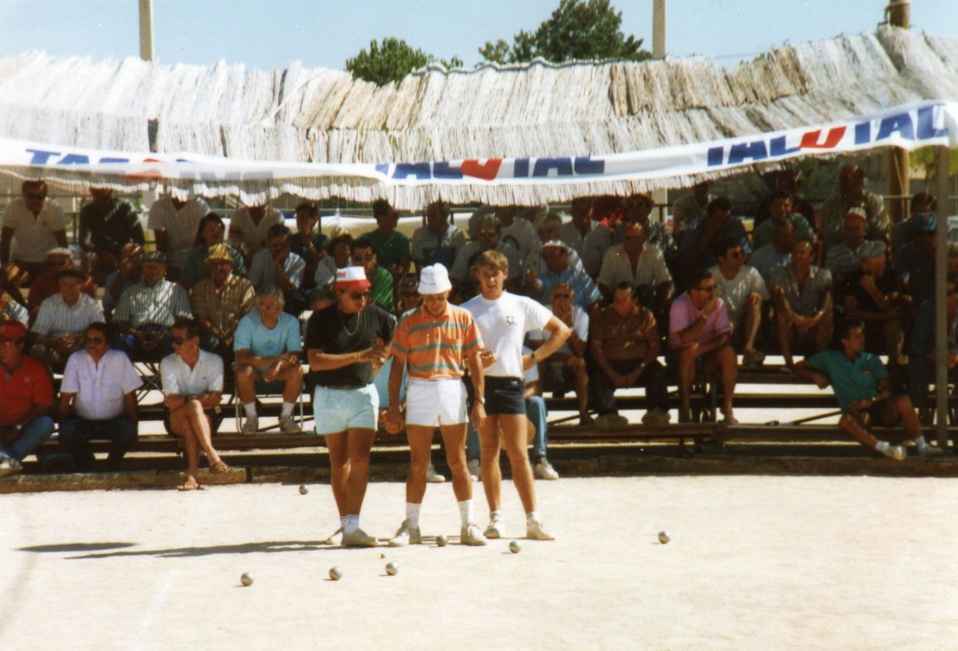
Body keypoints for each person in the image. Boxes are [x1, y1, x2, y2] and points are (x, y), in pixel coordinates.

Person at [462, 250, 571, 541]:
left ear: (505, 274)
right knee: (488, 453)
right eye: (485, 273)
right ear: (478, 276)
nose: (490, 279)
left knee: (519, 453)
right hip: (481, 386)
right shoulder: (467, 310)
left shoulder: (521, 304)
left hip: (512, 384)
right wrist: (472, 360)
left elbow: (562, 331)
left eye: (495, 273)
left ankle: (533, 520)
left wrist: (533, 358)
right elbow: (453, 353)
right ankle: (496, 519)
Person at [384, 264, 489, 547]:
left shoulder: (463, 317)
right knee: (418, 464)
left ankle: (469, 525)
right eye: (429, 297)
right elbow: (397, 369)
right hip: (419, 389)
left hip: (453, 389)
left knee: (458, 461)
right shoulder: (407, 320)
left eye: (439, 297)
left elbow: (475, 361)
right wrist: (394, 407)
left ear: (448, 292)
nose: (434, 303)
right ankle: (411, 526)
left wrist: (479, 401)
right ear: (420, 295)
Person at [305, 266, 396, 547]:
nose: (363, 300)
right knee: (339, 463)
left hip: (361, 394)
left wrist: (380, 359)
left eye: (366, 293)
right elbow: (316, 361)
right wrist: (360, 356)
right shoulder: (320, 319)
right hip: (329, 394)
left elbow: (397, 333)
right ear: (339, 293)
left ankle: (353, 525)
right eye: (356, 295)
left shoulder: (373, 314)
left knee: (360, 460)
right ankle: (346, 525)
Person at [794, 317, 944, 460]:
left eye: (862, 335)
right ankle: (886, 449)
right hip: (857, 412)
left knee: (903, 401)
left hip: (879, 406)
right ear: (845, 341)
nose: (863, 339)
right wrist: (814, 375)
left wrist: (871, 400)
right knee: (846, 421)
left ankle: (922, 446)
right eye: (857, 336)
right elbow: (798, 366)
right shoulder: (829, 358)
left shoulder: (871, 359)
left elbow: (886, 389)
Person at [58, 322, 142, 471]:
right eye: (88, 340)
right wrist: (61, 428)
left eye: (97, 341)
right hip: (83, 422)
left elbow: (130, 396)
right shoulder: (76, 359)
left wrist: (135, 429)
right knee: (68, 432)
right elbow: (65, 397)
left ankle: (110, 467)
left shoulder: (119, 358)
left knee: (127, 431)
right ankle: (89, 466)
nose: (91, 344)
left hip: (114, 422)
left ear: (108, 343)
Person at [160, 316, 231, 491]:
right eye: (172, 340)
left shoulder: (214, 360)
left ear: (195, 341)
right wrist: (194, 402)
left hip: (203, 417)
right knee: (193, 407)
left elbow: (216, 398)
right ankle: (212, 455)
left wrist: (189, 402)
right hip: (177, 416)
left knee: (190, 419)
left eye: (178, 340)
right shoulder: (168, 362)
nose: (174, 345)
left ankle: (192, 473)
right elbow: (171, 401)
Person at [591, 282, 672, 427]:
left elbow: (654, 347)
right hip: (611, 362)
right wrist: (611, 373)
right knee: (598, 376)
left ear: (634, 300)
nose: (619, 304)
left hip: (640, 361)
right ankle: (608, 414)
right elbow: (596, 348)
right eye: (616, 300)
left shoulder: (646, 315)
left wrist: (638, 370)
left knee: (656, 371)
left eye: (624, 300)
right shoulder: (602, 316)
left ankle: (657, 413)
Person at [668, 269, 738, 423]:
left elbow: (725, 337)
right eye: (708, 289)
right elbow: (686, 338)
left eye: (714, 287)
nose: (713, 292)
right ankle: (685, 407)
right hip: (679, 356)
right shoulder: (679, 305)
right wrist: (705, 314)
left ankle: (727, 407)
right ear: (693, 291)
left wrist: (702, 348)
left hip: (705, 354)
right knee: (688, 353)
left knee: (729, 353)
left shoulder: (717, 304)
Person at [234, 287, 304, 435]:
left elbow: (295, 354)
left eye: (270, 306)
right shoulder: (247, 322)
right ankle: (251, 418)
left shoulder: (290, 322)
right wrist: (275, 360)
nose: (264, 310)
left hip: (280, 370)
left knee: (298, 370)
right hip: (254, 371)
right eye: (261, 305)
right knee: (242, 372)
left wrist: (279, 364)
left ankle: (285, 417)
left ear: (280, 308)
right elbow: (241, 358)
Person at [528, 283, 592, 426]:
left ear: (572, 299)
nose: (562, 300)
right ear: (550, 298)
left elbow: (580, 351)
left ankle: (583, 414)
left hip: (571, 363)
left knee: (581, 364)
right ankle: (536, 417)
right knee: (538, 365)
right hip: (548, 360)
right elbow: (537, 350)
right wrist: (563, 358)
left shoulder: (580, 316)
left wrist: (568, 325)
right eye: (557, 296)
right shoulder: (539, 315)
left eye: (566, 296)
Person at [838, 240, 907, 370]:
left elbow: (889, 307)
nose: (881, 267)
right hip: (862, 323)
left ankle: (894, 368)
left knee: (894, 327)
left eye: (883, 263)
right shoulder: (851, 279)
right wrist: (884, 316)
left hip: (883, 323)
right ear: (864, 265)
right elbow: (851, 312)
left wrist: (872, 290)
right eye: (876, 265)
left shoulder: (890, 276)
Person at [113, 251, 193, 362]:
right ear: (142, 268)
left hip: (166, 333)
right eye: (148, 267)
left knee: (176, 342)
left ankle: (169, 378)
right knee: (121, 342)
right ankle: (124, 379)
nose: (151, 271)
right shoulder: (129, 292)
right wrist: (137, 334)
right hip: (137, 333)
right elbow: (120, 321)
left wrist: (162, 335)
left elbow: (183, 321)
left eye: (155, 267)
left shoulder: (177, 291)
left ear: (165, 269)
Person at [0, 321, 55, 477]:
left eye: (6, 343)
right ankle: (8, 461)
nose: (0, 347)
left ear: (20, 346)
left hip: (23, 427)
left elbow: (44, 405)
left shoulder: (35, 368)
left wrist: (18, 427)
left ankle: (6, 459)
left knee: (45, 424)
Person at [770, 240, 834, 369]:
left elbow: (828, 298)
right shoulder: (779, 273)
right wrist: (795, 317)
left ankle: (818, 362)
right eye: (794, 253)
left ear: (811, 257)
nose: (797, 256)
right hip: (790, 322)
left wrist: (817, 317)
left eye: (802, 253)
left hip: (813, 321)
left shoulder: (823, 275)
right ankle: (789, 364)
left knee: (828, 315)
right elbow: (778, 299)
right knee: (782, 316)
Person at [708, 235, 770, 367]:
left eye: (742, 253)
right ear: (721, 259)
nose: (741, 257)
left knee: (756, 302)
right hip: (720, 323)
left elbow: (766, 301)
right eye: (735, 255)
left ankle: (748, 350)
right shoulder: (711, 276)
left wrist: (757, 296)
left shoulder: (750, 273)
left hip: (744, 323)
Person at [29, 268, 105, 373]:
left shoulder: (92, 305)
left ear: (81, 285)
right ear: (59, 286)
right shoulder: (49, 303)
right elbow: (37, 334)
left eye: (73, 285)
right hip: (54, 348)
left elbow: (100, 334)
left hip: (82, 347)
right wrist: (55, 342)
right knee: (37, 351)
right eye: (64, 284)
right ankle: (48, 386)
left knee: (96, 349)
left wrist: (78, 341)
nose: (69, 289)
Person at [190, 244, 256, 360]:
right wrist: (220, 336)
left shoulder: (244, 285)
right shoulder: (200, 288)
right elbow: (202, 319)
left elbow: (248, 316)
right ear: (209, 266)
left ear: (230, 265)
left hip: (238, 334)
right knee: (209, 342)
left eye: (223, 263)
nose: (218, 268)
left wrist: (231, 337)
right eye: (214, 264)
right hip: (212, 335)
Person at [597, 221, 673, 317]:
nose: (632, 241)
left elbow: (665, 282)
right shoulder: (612, 253)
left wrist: (659, 305)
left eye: (636, 238)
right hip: (619, 302)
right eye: (628, 238)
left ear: (644, 239)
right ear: (622, 239)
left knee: (645, 290)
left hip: (646, 305)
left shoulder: (654, 252)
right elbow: (603, 285)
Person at [0, 180, 68, 280]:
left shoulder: (55, 208)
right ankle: (20, 297)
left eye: (40, 196)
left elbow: (62, 242)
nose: (36, 201)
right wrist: (5, 266)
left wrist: (63, 266)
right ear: (23, 194)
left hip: (47, 262)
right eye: (31, 196)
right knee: (6, 275)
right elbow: (5, 240)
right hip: (20, 261)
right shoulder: (13, 207)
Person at [77, 186, 144, 284]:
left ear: (110, 190)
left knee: (134, 257)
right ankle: (90, 289)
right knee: (87, 257)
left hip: (123, 253)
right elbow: (83, 241)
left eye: (101, 190)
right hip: (98, 253)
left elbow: (139, 239)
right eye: (94, 190)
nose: (97, 193)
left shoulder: (125, 207)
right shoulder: (87, 211)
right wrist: (102, 253)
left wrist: (127, 255)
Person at [819, 164, 890, 251]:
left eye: (846, 179)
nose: (842, 183)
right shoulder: (830, 205)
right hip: (839, 255)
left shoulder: (873, 201)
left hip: (870, 252)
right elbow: (825, 234)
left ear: (858, 180)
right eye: (840, 179)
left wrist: (867, 214)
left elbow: (884, 229)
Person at [450, 213, 520, 300]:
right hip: (470, 293)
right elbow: (455, 279)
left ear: (498, 236)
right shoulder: (467, 251)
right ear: (477, 234)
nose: (486, 237)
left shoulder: (508, 251)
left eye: (491, 234)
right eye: (482, 234)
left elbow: (514, 282)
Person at [676, 197, 751, 272]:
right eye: (718, 220)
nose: (722, 225)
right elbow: (684, 261)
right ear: (709, 217)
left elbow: (747, 254)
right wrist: (705, 239)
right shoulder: (695, 227)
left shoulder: (734, 225)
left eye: (726, 220)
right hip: (703, 272)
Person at [526, 240, 602, 312]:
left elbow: (594, 305)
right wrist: (532, 282)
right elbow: (536, 286)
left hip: (578, 322)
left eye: (552, 255)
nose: (548, 260)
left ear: (565, 255)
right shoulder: (543, 278)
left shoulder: (582, 278)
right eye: (545, 257)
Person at [248, 223, 307, 315]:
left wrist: (278, 265)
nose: (279, 249)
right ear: (268, 244)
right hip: (263, 298)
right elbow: (253, 286)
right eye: (275, 245)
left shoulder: (298, 261)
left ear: (290, 245)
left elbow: (288, 289)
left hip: (287, 300)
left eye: (283, 245)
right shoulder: (259, 258)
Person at [179, 212, 246, 288]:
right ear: (203, 233)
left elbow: (242, 282)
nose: (216, 231)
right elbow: (186, 283)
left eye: (219, 228)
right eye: (211, 228)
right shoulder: (193, 255)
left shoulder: (234, 255)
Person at [26, 247, 96, 319]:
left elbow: (89, 307)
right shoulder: (41, 281)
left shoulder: (84, 281)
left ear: (71, 263)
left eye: (62, 263)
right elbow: (32, 306)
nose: (57, 266)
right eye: (53, 263)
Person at [146, 193, 210, 272]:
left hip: (195, 260)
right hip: (169, 260)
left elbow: (202, 241)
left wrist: (189, 268)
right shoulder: (158, 205)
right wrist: (166, 268)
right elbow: (160, 243)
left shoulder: (201, 206)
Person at [893, 209, 937, 306]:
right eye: (919, 233)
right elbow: (902, 273)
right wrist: (904, 280)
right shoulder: (906, 251)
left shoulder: (946, 251)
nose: (925, 237)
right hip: (916, 296)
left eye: (930, 233)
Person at [559, 196, 610, 278]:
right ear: (572, 211)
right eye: (578, 210)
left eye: (586, 210)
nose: (582, 213)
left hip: (594, 279)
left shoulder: (601, 230)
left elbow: (606, 260)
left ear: (592, 211)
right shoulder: (562, 231)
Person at [410, 200, 466, 271]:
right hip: (428, 277)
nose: (429, 218)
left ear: (445, 216)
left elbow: (460, 264)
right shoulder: (419, 234)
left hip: (451, 277)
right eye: (428, 214)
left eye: (433, 214)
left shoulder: (456, 234)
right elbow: (419, 264)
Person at [363, 199, 410, 282]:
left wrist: (398, 270)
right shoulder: (367, 239)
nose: (398, 218)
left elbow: (405, 267)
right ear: (381, 217)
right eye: (395, 215)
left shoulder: (402, 239)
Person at [750, 190, 815, 250]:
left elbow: (812, 240)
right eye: (777, 206)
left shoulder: (799, 220)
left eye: (786, 205)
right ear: (770, 208)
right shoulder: (761, 231)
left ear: (791, 207)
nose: (782, 210)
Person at [824, 208, 876, 278]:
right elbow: (831, 279)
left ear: (864, 229)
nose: (852, 233)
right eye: (849, 229)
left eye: (856, 229)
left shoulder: (874, 249)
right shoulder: (833, 253)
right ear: (844, 230)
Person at [291, 201, 329, 290]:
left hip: (317, 284)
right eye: (298, 217)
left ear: (313, 219)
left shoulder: (322, 240)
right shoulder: (292, 240)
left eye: (303, 217)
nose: (300, 221)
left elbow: (322, 263)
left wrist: (308, 244)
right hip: (296, 283)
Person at [351, 236, 394, 312]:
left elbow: (371, 304)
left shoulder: (384, 276)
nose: (363, 262)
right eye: (358, 258)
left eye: (368, 258)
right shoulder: (348, 275)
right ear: (351, 260)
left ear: (375, 258)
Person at [749, 221, 795, 285]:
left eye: (787, 236)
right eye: (779, 236)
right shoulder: (758, 257)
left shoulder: (799, 256)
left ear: (793, 237)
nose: (783, 240)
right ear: (774, 237)